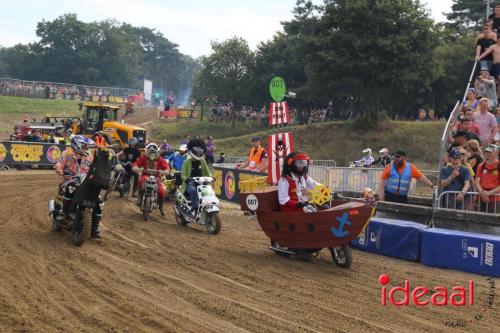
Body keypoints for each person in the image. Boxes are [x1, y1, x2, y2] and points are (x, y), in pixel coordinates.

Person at [54, 135, 102, 238]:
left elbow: (95, 167)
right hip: (69, 179)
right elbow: (58, 165)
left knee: (99, 200)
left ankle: (95, 228)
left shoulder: (89, 156)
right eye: (84, 146)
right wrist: (61, 171)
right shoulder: (67, 154)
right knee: (70, 187)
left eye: (86, 147)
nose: (86, 149)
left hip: (85, 182)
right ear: (77, 145)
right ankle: (64, 213)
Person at [132, 143, 170, 215]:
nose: (152, 154)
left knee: (161, 191)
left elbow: (166, 167)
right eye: (150, 152)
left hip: (157, 178)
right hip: (146, 175)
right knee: (140, 181)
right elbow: (136, 164)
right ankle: (140, 197)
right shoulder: (143, 158)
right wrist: (136, 168)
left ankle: (161, 207)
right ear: (147, 151)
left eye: (154, 152)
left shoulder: (160, 159)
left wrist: (165, 171)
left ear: (156, 152)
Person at [180, 139, 212, 217]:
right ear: (191, 150)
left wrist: (211, 177)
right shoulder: (186, 162)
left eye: (200, 151)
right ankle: (194, 207)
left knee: (208, 192)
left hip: (201, 183)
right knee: (193, 190)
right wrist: (186, 179)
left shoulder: (203, 161)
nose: (198, 153)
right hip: (189, 183)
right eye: (196, 151)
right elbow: (183, 174)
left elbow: (208, 172)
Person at [475, 144, 500, 213]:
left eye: (490, 152)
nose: (488, 154)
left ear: (497, 152)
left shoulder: (499, 165)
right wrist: (482, 193)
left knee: (494, 220)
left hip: (495, 198)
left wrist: (488, 193)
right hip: (481, 197)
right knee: (478, 219)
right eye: (487, 152)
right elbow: (477, 181)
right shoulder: (481, 165)